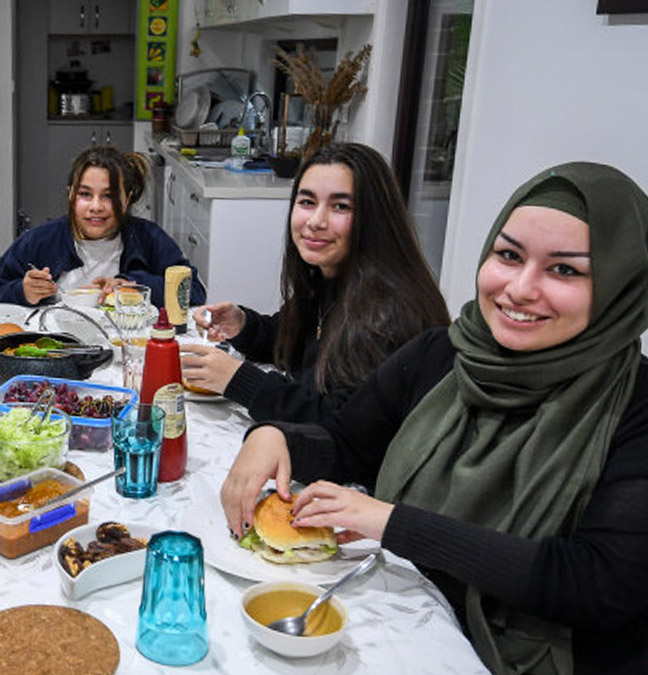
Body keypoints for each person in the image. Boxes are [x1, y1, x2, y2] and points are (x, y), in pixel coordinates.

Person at [220, 162, 648, 674]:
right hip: (397, 620)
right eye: (509, 256)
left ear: (622, 286)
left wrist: (392, 521)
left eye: (565, 270)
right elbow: (348, 440)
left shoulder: (634, 407)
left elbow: (597, 584)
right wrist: (273, 436)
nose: (520, 288)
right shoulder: (441, 355)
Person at [180, 143, 449, 423]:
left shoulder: (387, 314)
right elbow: (294, 340)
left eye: (340, 206)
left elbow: (339, 427)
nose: (316, 221)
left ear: (374, 219)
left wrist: (239, 379)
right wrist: (243, 325)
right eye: (307, 202)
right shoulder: (330, 276)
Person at [0, 145, 206, 308]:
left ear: (127, 198)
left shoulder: (149, 238)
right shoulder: (40, 240)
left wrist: (135, 287)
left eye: (108, 196)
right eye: (85, 194)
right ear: (70, 194)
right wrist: (22, 292)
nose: (96, 207)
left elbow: (194, 292)